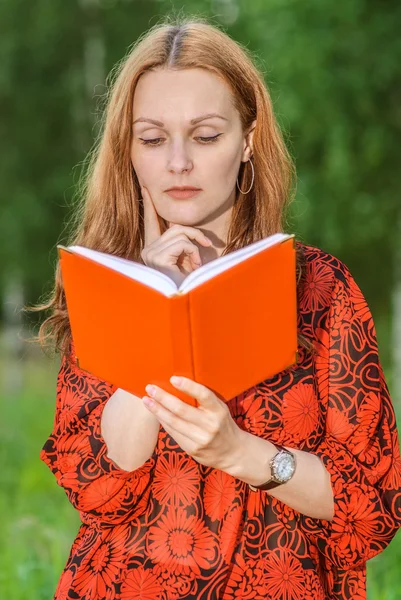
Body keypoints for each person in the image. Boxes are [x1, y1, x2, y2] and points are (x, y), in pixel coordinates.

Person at [34, 15, 401, 600]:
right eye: (152, 139)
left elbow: (371, 508)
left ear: (248, 140)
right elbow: (102, 484)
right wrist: (145, 302)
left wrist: (241, 453)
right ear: (128, 151)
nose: (178, 163)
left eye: (205, 136)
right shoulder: (106, 285)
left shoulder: (321, 288)